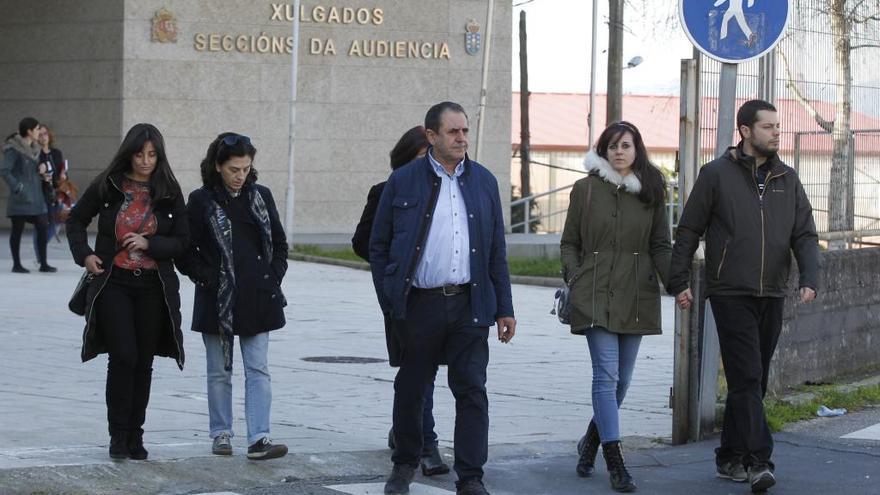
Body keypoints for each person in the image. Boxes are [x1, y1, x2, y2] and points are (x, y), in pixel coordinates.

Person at [667, 99, 819, 492]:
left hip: (772, 290)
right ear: (745, 131)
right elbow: (689, 230)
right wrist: (678, 280)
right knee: (747, 375)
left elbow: (804, 233)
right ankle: (758, 461)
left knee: (753, 380)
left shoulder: (788, 177)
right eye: (767, 127)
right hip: (730, 289)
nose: (776, 132)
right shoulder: (716, 174)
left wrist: (810, 277)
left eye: (777, 126)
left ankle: (729, 456)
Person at [370, 102, 516, 495]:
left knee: (471, 390)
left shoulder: (483, 181)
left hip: (470, 304)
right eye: (453, 132)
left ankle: (471, 477)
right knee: (412, 388)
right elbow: (378, 244)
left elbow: (496, 250)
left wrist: (505, 307)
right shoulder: (403, 181)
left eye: (465, 131)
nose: (462, 138)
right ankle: (404, 465)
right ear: (431, 136)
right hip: (420, 304)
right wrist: (390, 297)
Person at [560, 121, 671, 493]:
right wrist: (576, 278)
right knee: (605, 376)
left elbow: (661, 246)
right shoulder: (585, 189)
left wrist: (679, 284)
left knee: (622, 381)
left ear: (637, 149)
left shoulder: (653, 192)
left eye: (625, 145)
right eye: (612, 146)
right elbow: (569, 243)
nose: (619, 152)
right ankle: (615, 460)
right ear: (603, 151)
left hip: (636, 294)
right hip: (593, 292)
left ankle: (590, 439)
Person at [66, 123, 188, 460]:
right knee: (124, 356)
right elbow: (75, 220)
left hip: (153, 287)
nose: (146, 160)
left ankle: (136, 434)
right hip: (113, 282)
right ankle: (117, 435)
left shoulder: (169, 191)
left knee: (144, 361)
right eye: (139, 153)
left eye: (152, 154)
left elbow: (183, 240)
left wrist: (151, 242)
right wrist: (85, 255)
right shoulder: (109, 185)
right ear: (129, 153)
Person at [176, 133, 289, 461]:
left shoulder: (260, 196)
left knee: (258, 368)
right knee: (219, 370)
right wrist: (208, 278)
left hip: (258, 296)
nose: (240, 175)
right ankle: (221, 432)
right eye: (233, 169)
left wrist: (271, 277)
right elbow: (185, 250)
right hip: (218, 300)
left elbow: (279, 244)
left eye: (245, 168)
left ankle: (259, 438)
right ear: (217, 166)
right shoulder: (201, 201)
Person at [352, 126, 450, 476]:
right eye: (423, 158)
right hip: (403, 297)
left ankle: (405, 430)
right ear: (406, 159)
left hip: (439, 297)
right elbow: (364, 242)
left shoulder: (446, 192)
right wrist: (396, 268)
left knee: (426, 370)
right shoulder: (385, 192)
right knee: (416, 370)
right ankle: (427, 443)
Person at [1, 117, 55, 273]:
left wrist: (42, 172)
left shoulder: (35, 149)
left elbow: (33, 172)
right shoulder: (13, 149)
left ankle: (43, 263)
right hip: (21, 198)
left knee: (43, 226)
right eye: (37, 129)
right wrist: (18, 187)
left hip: (37, 198)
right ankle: (16, 264)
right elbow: (5, 171)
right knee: (17, 231)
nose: (39, 132)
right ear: (29, 131)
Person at [32, 125, 64, 256]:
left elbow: (61, 171)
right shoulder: (34, 153)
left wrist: (63, 176)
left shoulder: (56, 153)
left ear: (49, 135)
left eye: (45, 133)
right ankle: (40, 255)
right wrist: (41, 175)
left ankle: (41, 246)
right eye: (40, 134)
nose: (43, 136)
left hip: (55, 192)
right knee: (41, 224)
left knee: (57, 222)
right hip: (40, 193)